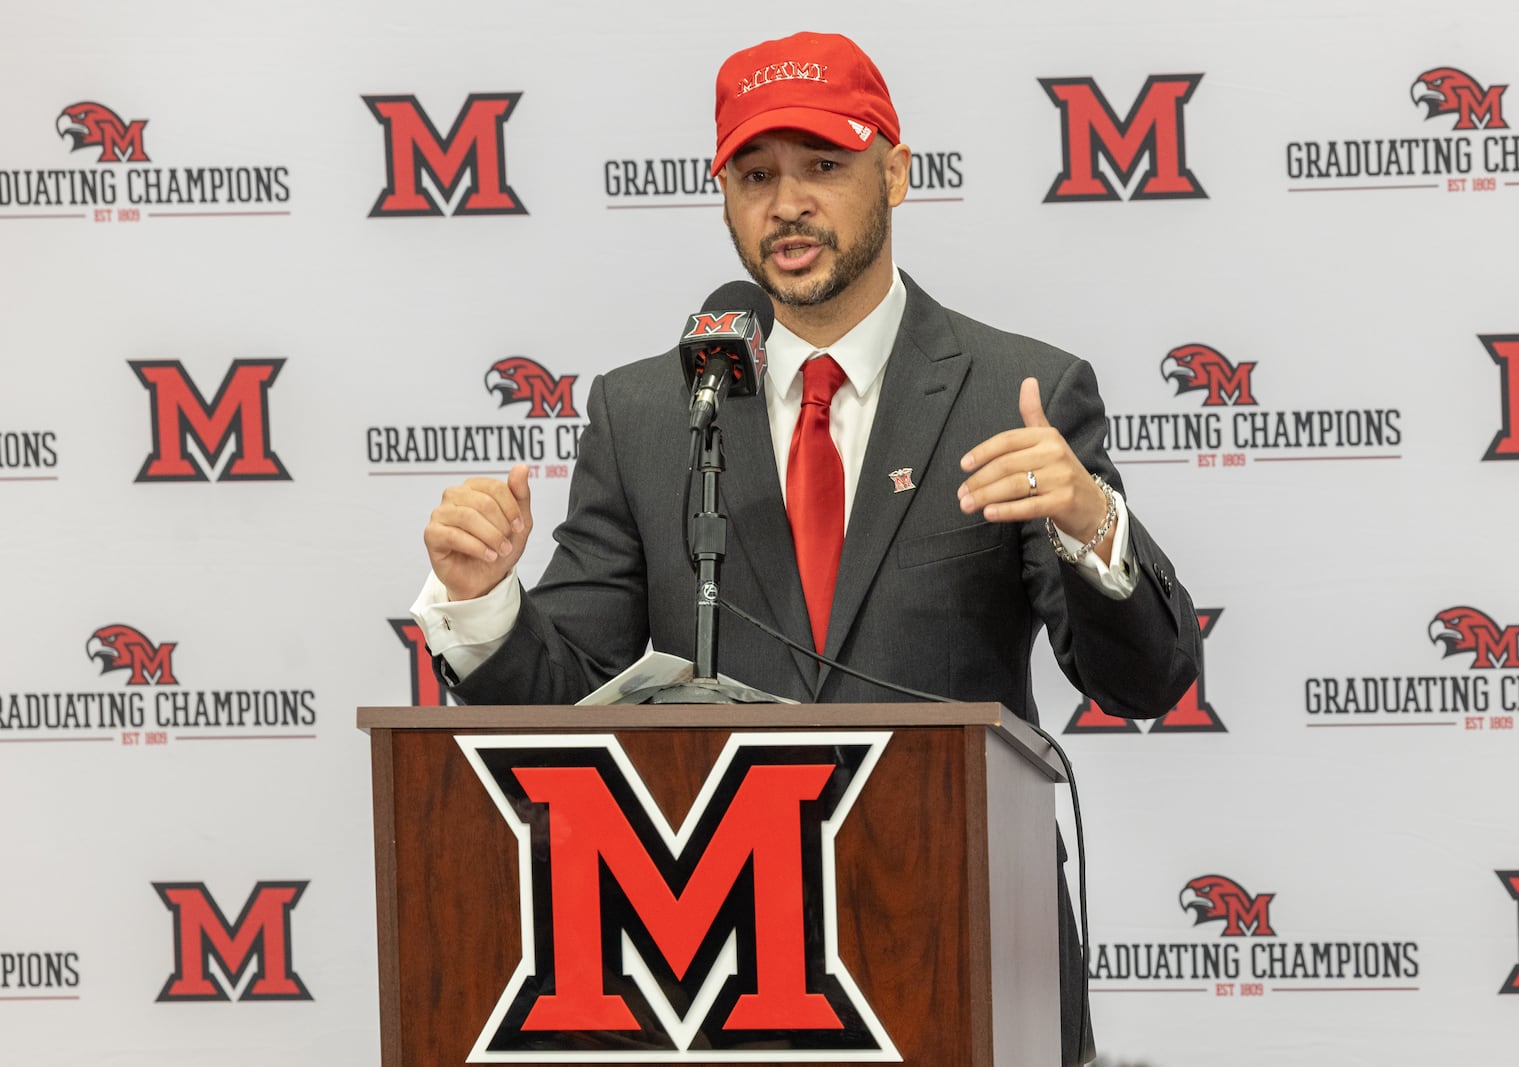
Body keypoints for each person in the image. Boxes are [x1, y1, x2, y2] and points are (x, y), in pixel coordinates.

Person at [412, 30, 1201, 1065]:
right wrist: (484, 606)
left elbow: (1142, 680)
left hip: (961, 941)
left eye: (822, 167)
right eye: (754, 175)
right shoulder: (647, 411)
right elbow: (564, 697)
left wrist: (1094, 525)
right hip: (712, 969)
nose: (786, 203)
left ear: (896, 172)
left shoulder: (1018, 393)